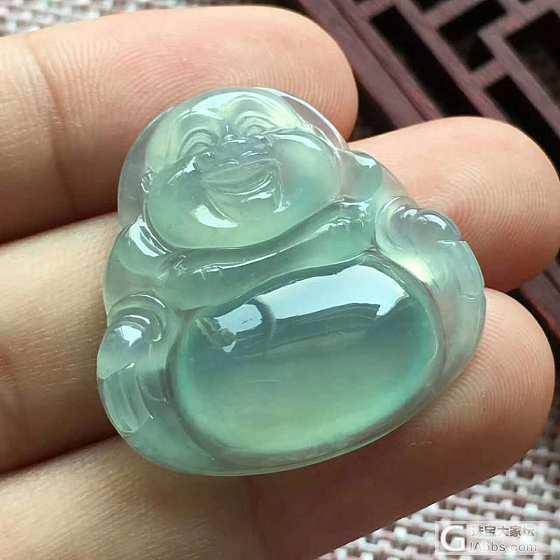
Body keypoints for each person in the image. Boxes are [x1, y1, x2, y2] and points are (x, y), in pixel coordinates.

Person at [0, 6, 558, 559]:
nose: (234, 157)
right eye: (198, 152)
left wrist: (417, 233)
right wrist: (133, 340)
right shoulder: (150, 256)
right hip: (225, 375)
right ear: (154, 194)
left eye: (256, 134)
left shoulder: (357, 194)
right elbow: (140, 316)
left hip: (383, 324)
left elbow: (404, 230)